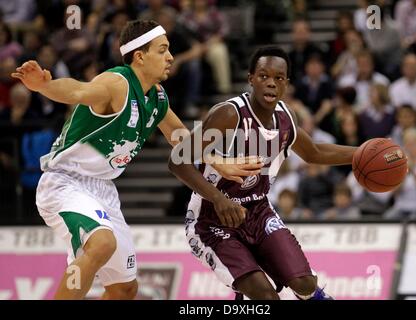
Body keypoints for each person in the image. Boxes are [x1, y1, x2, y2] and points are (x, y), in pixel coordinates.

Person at [11, 20, 262, 300]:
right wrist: (45, 86)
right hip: (66, 182)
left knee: (124, 289)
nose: (170, 57)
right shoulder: (116, 83)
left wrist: (217, 160)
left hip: (103, 189)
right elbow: (77, 91)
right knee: (102, 243)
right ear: (140, 56)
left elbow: (180, 137)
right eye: (163, 50)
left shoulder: (156, 96)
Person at [169, 46, 358, 300]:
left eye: (278, 78)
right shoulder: (228, 114)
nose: (271, 84)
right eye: (263, 76)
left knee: (304, 283)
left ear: (287, 84)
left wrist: (362, 153)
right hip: (211, 220)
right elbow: (177, 161)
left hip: (258, 211)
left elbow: (314, 152)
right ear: (250, 79)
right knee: (265, 296)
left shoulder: (285, 118)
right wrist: (219, 198)